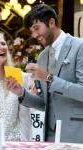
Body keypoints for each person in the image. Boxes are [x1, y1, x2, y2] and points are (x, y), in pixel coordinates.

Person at [6, 4, 83, 143]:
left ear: (51, 23)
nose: (34, 35)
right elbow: (43, 102)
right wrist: (21, 93)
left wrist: (48, 77)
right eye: (32, 31)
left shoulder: (79, 47)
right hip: (48, 135)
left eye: (37, 28)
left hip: (76, 131)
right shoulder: (42, 56)